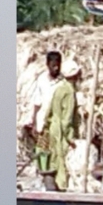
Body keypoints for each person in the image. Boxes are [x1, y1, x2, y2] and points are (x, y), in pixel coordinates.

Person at [44, 60, 82, 191]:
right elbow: (67, 119)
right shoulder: (69, 92)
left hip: (53, 128)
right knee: (62, 161)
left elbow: (49, 111)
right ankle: (62, 188)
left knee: (54, 159)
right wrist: (70, 138)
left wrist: (47, 126)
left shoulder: (59, 88)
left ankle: (53, 186)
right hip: (61, 130)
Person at [28, 51, 63, 185]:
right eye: (53, 66)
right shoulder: (42, 80)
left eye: (58, 66)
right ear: (47, 65)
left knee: (55, 151)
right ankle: (42, 175)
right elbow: (37, 101)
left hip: (56, 122)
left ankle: (54, 178)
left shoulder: (62, 82)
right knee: (42, 149)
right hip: (43, 120)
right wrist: (34, 121)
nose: (56, 68)